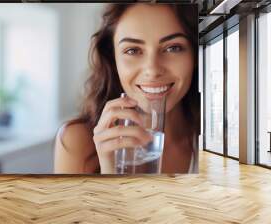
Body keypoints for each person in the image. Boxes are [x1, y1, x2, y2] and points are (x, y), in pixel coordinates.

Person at [54, 3, 199, 174]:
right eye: (132, 50)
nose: (152, 70)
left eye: (173, 48)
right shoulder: (77, 142)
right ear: (113, 58)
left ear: (195, 54)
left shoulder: (218, 139)